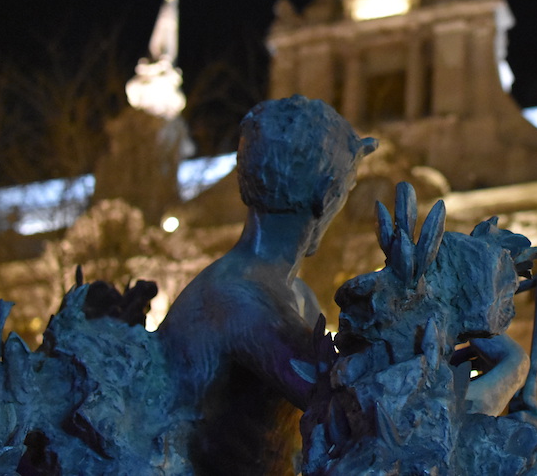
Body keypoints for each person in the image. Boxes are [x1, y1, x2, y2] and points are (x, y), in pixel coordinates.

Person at [158, 95, 376, 473]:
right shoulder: (239, 303)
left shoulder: (293, 296)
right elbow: (359, 411)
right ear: (326, 194)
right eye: (347, 189)